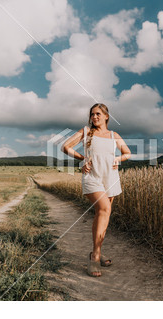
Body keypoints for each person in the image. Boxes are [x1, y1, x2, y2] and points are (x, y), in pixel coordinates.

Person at [61, 103, 131, 277]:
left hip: (111, 177)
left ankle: (96, 251)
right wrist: (83, 158)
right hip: (92, 177)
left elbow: (127, 152)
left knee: (104, 215)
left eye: (98, 114)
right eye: (92, 114)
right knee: (104, 209)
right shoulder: (85, 132)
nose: (94, 117)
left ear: (107, 116)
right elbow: (66, 147)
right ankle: (95, 257)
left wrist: (119, 158)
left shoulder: (114, 135)